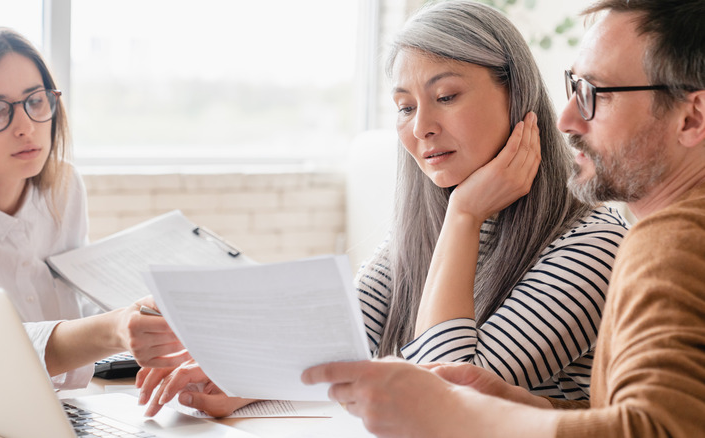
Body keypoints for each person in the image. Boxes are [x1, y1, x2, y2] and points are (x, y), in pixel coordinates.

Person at [136, 0, 628, 417]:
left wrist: (463, 216)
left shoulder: (594, 243)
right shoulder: (426, 227)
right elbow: (340, 336)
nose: (421, 128)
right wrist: (239, 377)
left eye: (446, 96)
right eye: (405, 106)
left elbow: (447, 398)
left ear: (517, 94)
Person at [302, 0, 705, 436]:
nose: (565, 117)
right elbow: (329, 346)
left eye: (595, 93)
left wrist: (464, 214)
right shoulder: (665, 237)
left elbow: (437, 404)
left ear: (691, 116)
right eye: (404, 107)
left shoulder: (642, 242)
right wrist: (531, 407)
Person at [0, 26, 188, 390]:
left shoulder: (62, 188)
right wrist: (114, 329)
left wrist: (151, 319)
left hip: (71, 406)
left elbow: (78, 297)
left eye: (35, 101)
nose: (25, 127)